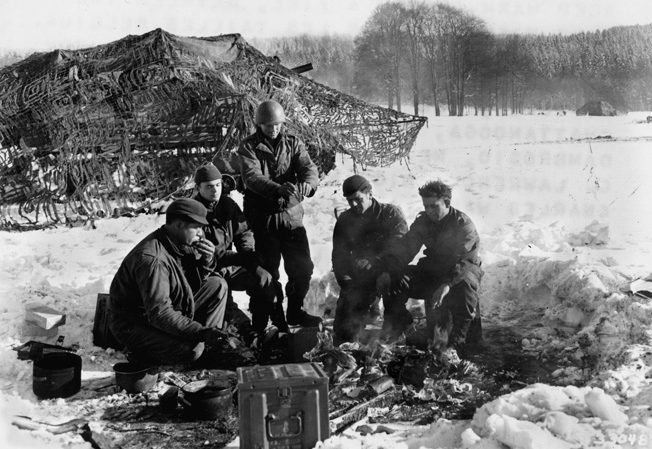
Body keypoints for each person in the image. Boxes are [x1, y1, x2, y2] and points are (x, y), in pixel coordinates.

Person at [108, 198, 233, 365]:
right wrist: (201, 332)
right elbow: (160, 313)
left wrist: (206, 261)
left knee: (217, 285)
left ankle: (212, 345)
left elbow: (188, 284)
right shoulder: (153, 260)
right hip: (135, 324)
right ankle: (142, 353)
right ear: (179, 225)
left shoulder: (179, 242)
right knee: (193, 350)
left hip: (165, 309)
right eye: (196, 227)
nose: (201, 233)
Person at [238, 99, 321, 327]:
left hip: (292, 217)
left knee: (302, 268)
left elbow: (308, 167)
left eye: (277, 125)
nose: (273, 129)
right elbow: (252, 178)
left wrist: (308, 184)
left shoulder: (293, 143)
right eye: (268, 126)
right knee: (266, 273)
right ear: (259, 126)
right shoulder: (248, 146)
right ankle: (266, 320)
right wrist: (277, 189)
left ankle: (296, 310)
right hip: (263, 219)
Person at [376, 180, 483, 354]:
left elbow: (464, 262)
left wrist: (446, 285)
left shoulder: (463, 225)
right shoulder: (423, 222)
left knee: (466, 284)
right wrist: (388, 271)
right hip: (433, 271)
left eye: (434, 206)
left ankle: (458, 343)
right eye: (426, 206)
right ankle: (404, 328)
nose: (429, 211)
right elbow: (407, 249)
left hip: (460, 272)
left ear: (447, 203)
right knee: (397, 278)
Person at [192, 163, 283, 338]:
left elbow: (243, 232)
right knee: (223, 296)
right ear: (198, 188)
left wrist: (249, 256)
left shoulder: (227, 205)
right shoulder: (192, 210)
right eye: (209, 186)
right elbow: (198, 250)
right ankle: (246, 333)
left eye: (218, 185)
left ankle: (263, 328)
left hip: (229, 264)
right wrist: (239, 258)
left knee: (264, 278)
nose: (215, 190)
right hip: (204, 271)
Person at [331, 175, 408, 344]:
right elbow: (339, 255)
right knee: (344, 332)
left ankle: (396, 331)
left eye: (358, 200)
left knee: (392, 326)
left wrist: (378, 263)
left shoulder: (390, 214)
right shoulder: (346, 220)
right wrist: (346, 282)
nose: (354, 205)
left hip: (388, 273)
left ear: (370, 195)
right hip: (360, 276)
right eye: (349, 201)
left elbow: (401, 247)